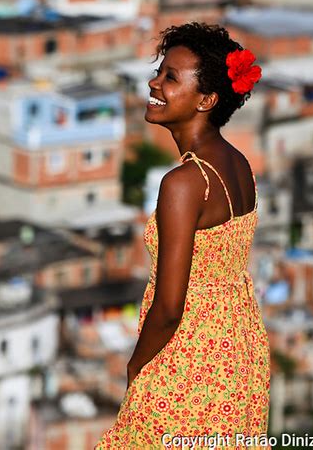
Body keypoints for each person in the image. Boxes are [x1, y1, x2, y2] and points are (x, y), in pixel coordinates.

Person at [95, 22, 271, 448]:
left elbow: (171, 307)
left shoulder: (184, 183)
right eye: (160, 71)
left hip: (190, 365)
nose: (154, 83)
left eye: (171, 77)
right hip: (240, 356)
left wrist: (137, 365)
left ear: (207, 100)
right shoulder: (237, 164)